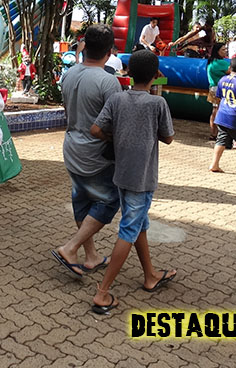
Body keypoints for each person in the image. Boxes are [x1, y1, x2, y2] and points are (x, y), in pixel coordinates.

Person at [89, 50, 176, 315]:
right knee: (129, 229)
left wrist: (116, 138)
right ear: (156, 75)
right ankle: (102, 293)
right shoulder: (157, 104)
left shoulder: (117, 98)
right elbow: (168, 137)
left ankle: (150, 275)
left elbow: (96, 129)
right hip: (142, 177)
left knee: (139, 224)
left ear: (128, 73)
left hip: (122, 174)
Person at [52, 24, 123, 278]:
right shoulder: (108, 81)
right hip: (96, 152)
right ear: (109, 52)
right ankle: (70, 248)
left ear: (84, 47)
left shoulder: (69, 74)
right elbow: (114, 123)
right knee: (110, 200)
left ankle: (91, 256)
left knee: (82, 199)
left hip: (72, 145)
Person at [206, 42, 230, 140]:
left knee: (215, 110)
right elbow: (233, 71)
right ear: (217, 51)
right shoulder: (222, 63)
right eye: (223, 50)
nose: (225, 51)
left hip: (213, 88)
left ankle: (213, 133)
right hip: (220, 89)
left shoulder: (211, 62)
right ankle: (220, 133)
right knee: (218, 111)